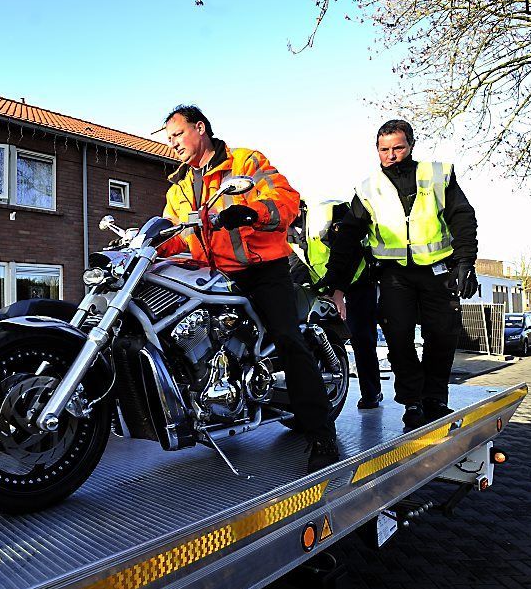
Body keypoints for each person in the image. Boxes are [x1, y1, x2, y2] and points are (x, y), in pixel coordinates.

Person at [160, 104, 340, 472]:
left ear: (200, 128)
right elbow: (174, 233)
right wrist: (146, 244)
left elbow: (287, 200)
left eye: (177, 135)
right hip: (214, 277)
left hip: (261, 270)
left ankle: (321, 434)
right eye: (168, 139)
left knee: (288, 340)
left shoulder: (245, 163)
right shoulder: (179, 185)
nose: (172, 144)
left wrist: (252, 212)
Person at [322, 120, 479, 429]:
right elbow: (349, 240)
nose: (390, 155)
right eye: (384, 149)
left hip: (437, 271)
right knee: (398, 338)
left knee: (442, 335)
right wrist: (337, 284)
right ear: (376, 150)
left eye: (397, 148)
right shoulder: (368, 189)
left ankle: (435, 399)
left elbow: (462, 217)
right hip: (394, 276)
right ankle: (413, 402)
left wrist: (465, 262)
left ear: (411, 146)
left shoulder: (437, 176)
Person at [288, 199, 383, 409]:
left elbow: (351, 252)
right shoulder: (288, 231)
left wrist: (339, 291)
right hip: (329, 285)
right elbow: (298, 265)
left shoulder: (327, 215)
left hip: (358, 279)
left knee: (361, 336)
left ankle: (371, 393)